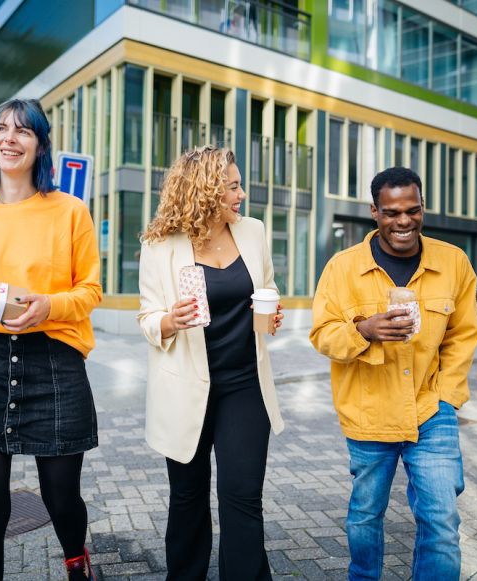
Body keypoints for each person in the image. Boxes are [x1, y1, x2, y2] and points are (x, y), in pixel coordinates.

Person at [0, 98, 102, 581]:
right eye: (1, 129)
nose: (9, 138)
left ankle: (76, 558)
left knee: (61, 497)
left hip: (55, 364)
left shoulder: (70, 211)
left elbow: (91, 290)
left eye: (23, 131)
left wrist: (48, 306)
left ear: (40, 145)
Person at [309, 166, 477, 581]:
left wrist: (446, 396)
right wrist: (364, 331)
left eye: (412, 210)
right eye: (391, 212)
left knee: (441, 521)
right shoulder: (342, 267)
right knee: (365, 517)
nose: (403, 221)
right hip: (368, 413)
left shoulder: (453, 262)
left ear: (422, 208)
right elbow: (322, 335)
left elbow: (464, 334)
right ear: (375, 212)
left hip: (431, 411)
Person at [137, 145, 285, 580]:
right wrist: (169, 320)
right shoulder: (160, 245)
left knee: (242, 496)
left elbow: (268, 285)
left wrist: (272, 313)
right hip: (185, 388)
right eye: (233, 186)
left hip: (245, 385)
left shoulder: (253, 231)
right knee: (187, 497)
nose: (241, 194)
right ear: (205, 190)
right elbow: (147, 318)